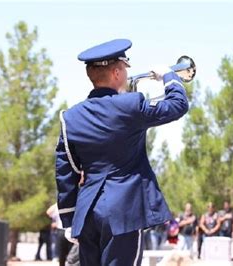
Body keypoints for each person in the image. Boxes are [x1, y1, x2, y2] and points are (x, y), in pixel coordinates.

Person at [55, 39, 189, 266]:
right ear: (116, 72)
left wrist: (69, 219)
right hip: (125, 211)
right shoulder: (131, 104)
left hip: (86, 212)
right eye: (125, 68)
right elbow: (178, 104)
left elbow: (66, 169)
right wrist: (169, 77)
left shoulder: (70, 117)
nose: (128, 74)